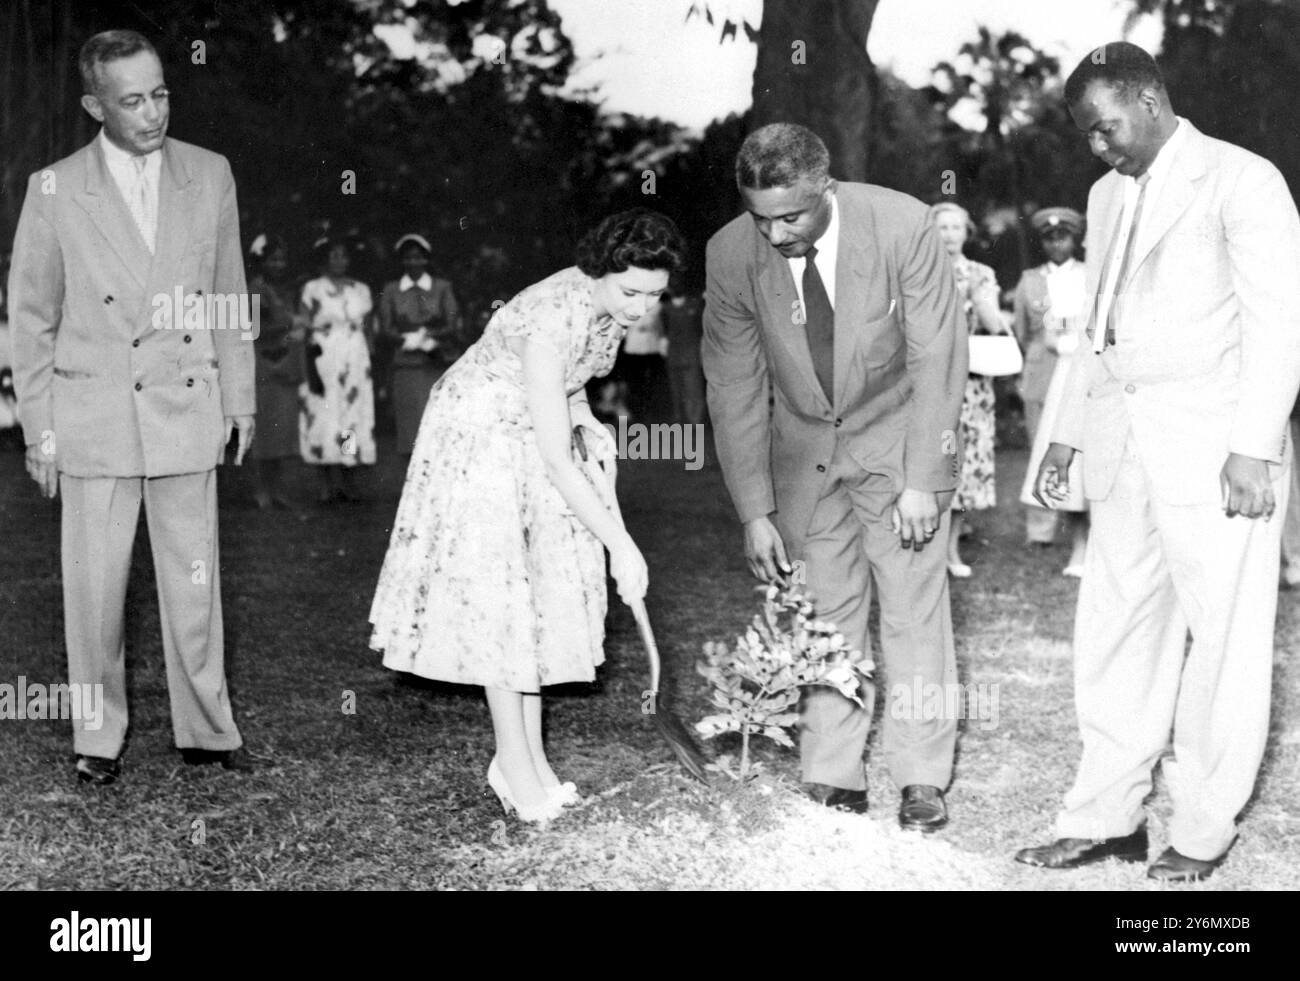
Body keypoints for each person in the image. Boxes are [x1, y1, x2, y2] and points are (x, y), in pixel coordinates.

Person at [1018, 42, 1300, 882]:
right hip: (1123, 444)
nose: (1097, 149)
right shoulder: (1106, 197)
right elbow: (1097, 326)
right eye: (1086, 137)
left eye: (1104, 128)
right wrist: (1064, 430)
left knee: (1224, 643)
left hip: (1219, 451)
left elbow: (1279, 323)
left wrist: (1253, 445)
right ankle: (1105, 816)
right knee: (1114, 632)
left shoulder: (1243, 179)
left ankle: (1203, 830)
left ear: (1146, 98)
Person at [369, 209, 686, 825]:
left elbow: (569, 387)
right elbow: (554, 454)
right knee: (503, 600)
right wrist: (621, 543)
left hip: (528, 426)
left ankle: (531, 761)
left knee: (533, 595)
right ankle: (513, 763)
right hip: (479, 436)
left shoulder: (610, 307)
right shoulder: (547, 316)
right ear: (598, 271)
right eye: (630, 291)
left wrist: (589, 424)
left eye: (654, 295)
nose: (640, 307)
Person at [7, 30, 256, 784]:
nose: (153, 113)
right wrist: (40, 432)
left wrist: (239, 397)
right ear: (94, 105)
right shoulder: (53, 188)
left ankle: (208, 728)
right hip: (92, 419)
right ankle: (97, 733)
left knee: (194, 581)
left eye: (162, 93)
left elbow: (227, 295)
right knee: (93, 590)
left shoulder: (210, 174)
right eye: (132, 100)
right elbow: (31, 320)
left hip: (186, 404)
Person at [703, 123, 966, 831]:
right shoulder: (730, 253)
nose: (776, 232)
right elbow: (732, 386)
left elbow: (937, 356)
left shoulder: (902, 222)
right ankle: (832, 772)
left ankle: (920, 776)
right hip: (805, 460)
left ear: (827, 187)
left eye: (790, 215)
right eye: (761, 217)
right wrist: (754, 508)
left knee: (914, 614)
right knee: (823, 616)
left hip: (898, 445)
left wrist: (924, 477)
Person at [930, 202, 1007, 579]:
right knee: (930, 460)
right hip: (927, 380)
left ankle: (952, 548)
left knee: (965, 462)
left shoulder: (980, 273)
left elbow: (995, 325)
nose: (949, 235)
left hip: (970, 382)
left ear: (967, 232)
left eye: (956, 227)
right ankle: (928, 550)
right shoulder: (917, 269)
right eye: (941, 227)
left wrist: (981, 297)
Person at [1014, 207, 1089, 574]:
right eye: (1049, 238)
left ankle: (1080, 523)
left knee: (1074, 445)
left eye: (1063, 237)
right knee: (1039, 443)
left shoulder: (1089, 275)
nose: (1057, 243)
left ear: (1075, 239)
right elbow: (1023, 330)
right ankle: (1041, 528)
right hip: (1043, 368)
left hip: (1079, 367)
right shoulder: (1030, 279)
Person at [300, 235, 376, 502]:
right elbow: (305, 324)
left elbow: (366, 328)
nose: (339, 260)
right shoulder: (313, 288)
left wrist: (369, 356)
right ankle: (324, 482)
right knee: (324, 413)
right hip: (324, 355)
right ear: (324, 259)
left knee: (350, 415)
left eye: (343, 255)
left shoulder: (361, 289)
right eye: (333, 255)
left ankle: (347, 479)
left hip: (354, 358)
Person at [376, 233, 462, 456]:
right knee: (410, 427)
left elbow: (452, 323)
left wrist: (429, 336)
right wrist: (407, 339)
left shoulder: (442, 287)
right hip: (406, 365)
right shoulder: (392, 290)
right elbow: (386, 327)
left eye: (418, 257)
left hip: (435, 363)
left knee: (437, 426)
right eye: (408, 258)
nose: (413, 263)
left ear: (427, 259)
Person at [247, 233, 307, 509]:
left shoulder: (285, 291)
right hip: (264, 364)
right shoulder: (256, 290)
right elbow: (254, 329)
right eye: (273, 260)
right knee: (264, 430)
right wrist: (290, 324)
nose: (279, 265)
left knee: (282, 430)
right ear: (262, 262)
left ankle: (278, 489)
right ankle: (261, 489)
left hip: (285, 364)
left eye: (283, 260)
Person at [662, 286, 707, 426]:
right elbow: (664, 331)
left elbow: (701, 329)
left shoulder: (695, 305)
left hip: (691, 352)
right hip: (674, 353)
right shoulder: (666, 309)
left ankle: (695, 420)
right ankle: (679, 418)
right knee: (676, 388)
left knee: (693, 387)